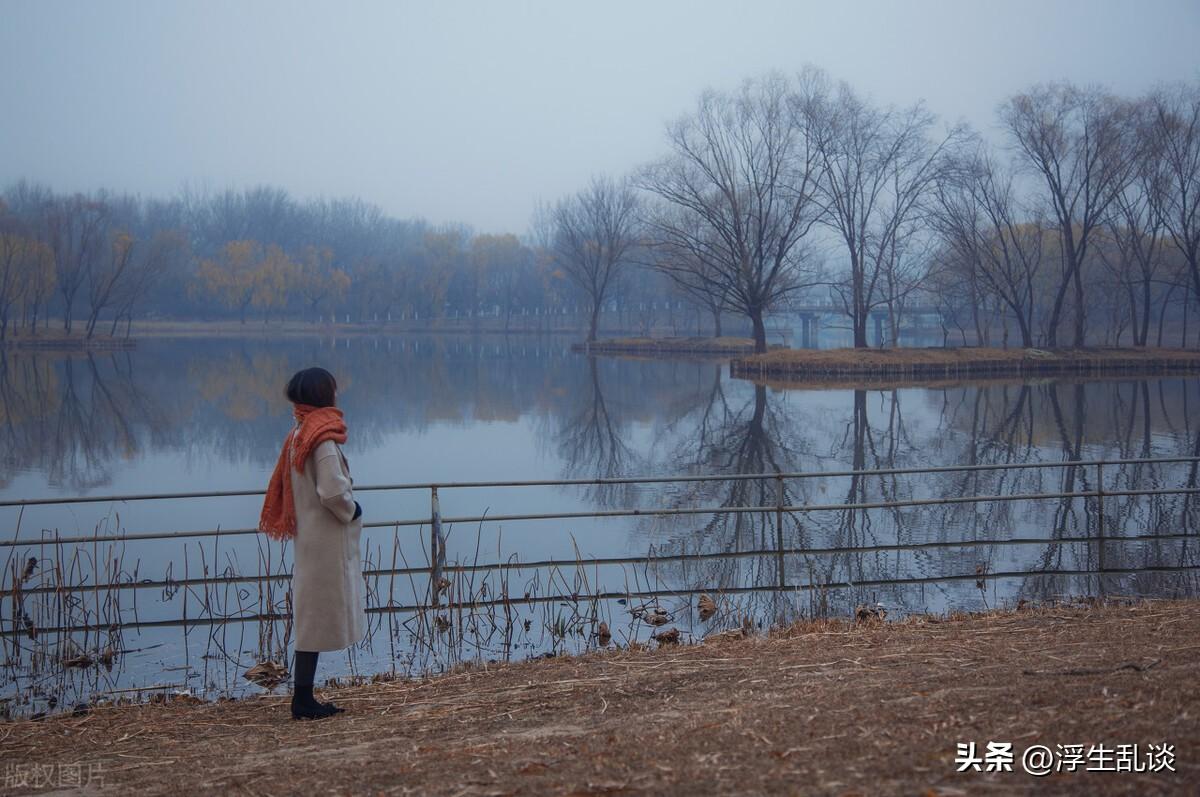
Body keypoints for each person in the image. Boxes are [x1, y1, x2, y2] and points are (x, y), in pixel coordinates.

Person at [259, 367, 365, 720]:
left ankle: (303, 697)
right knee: (314, 620)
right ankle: (302, 700)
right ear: (325, 395)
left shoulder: (300, 432)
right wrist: (352, 511)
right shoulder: (322, 438)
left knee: (310, 619)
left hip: (309, 539)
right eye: (334, 389)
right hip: (326, 540)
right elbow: (333, 491)